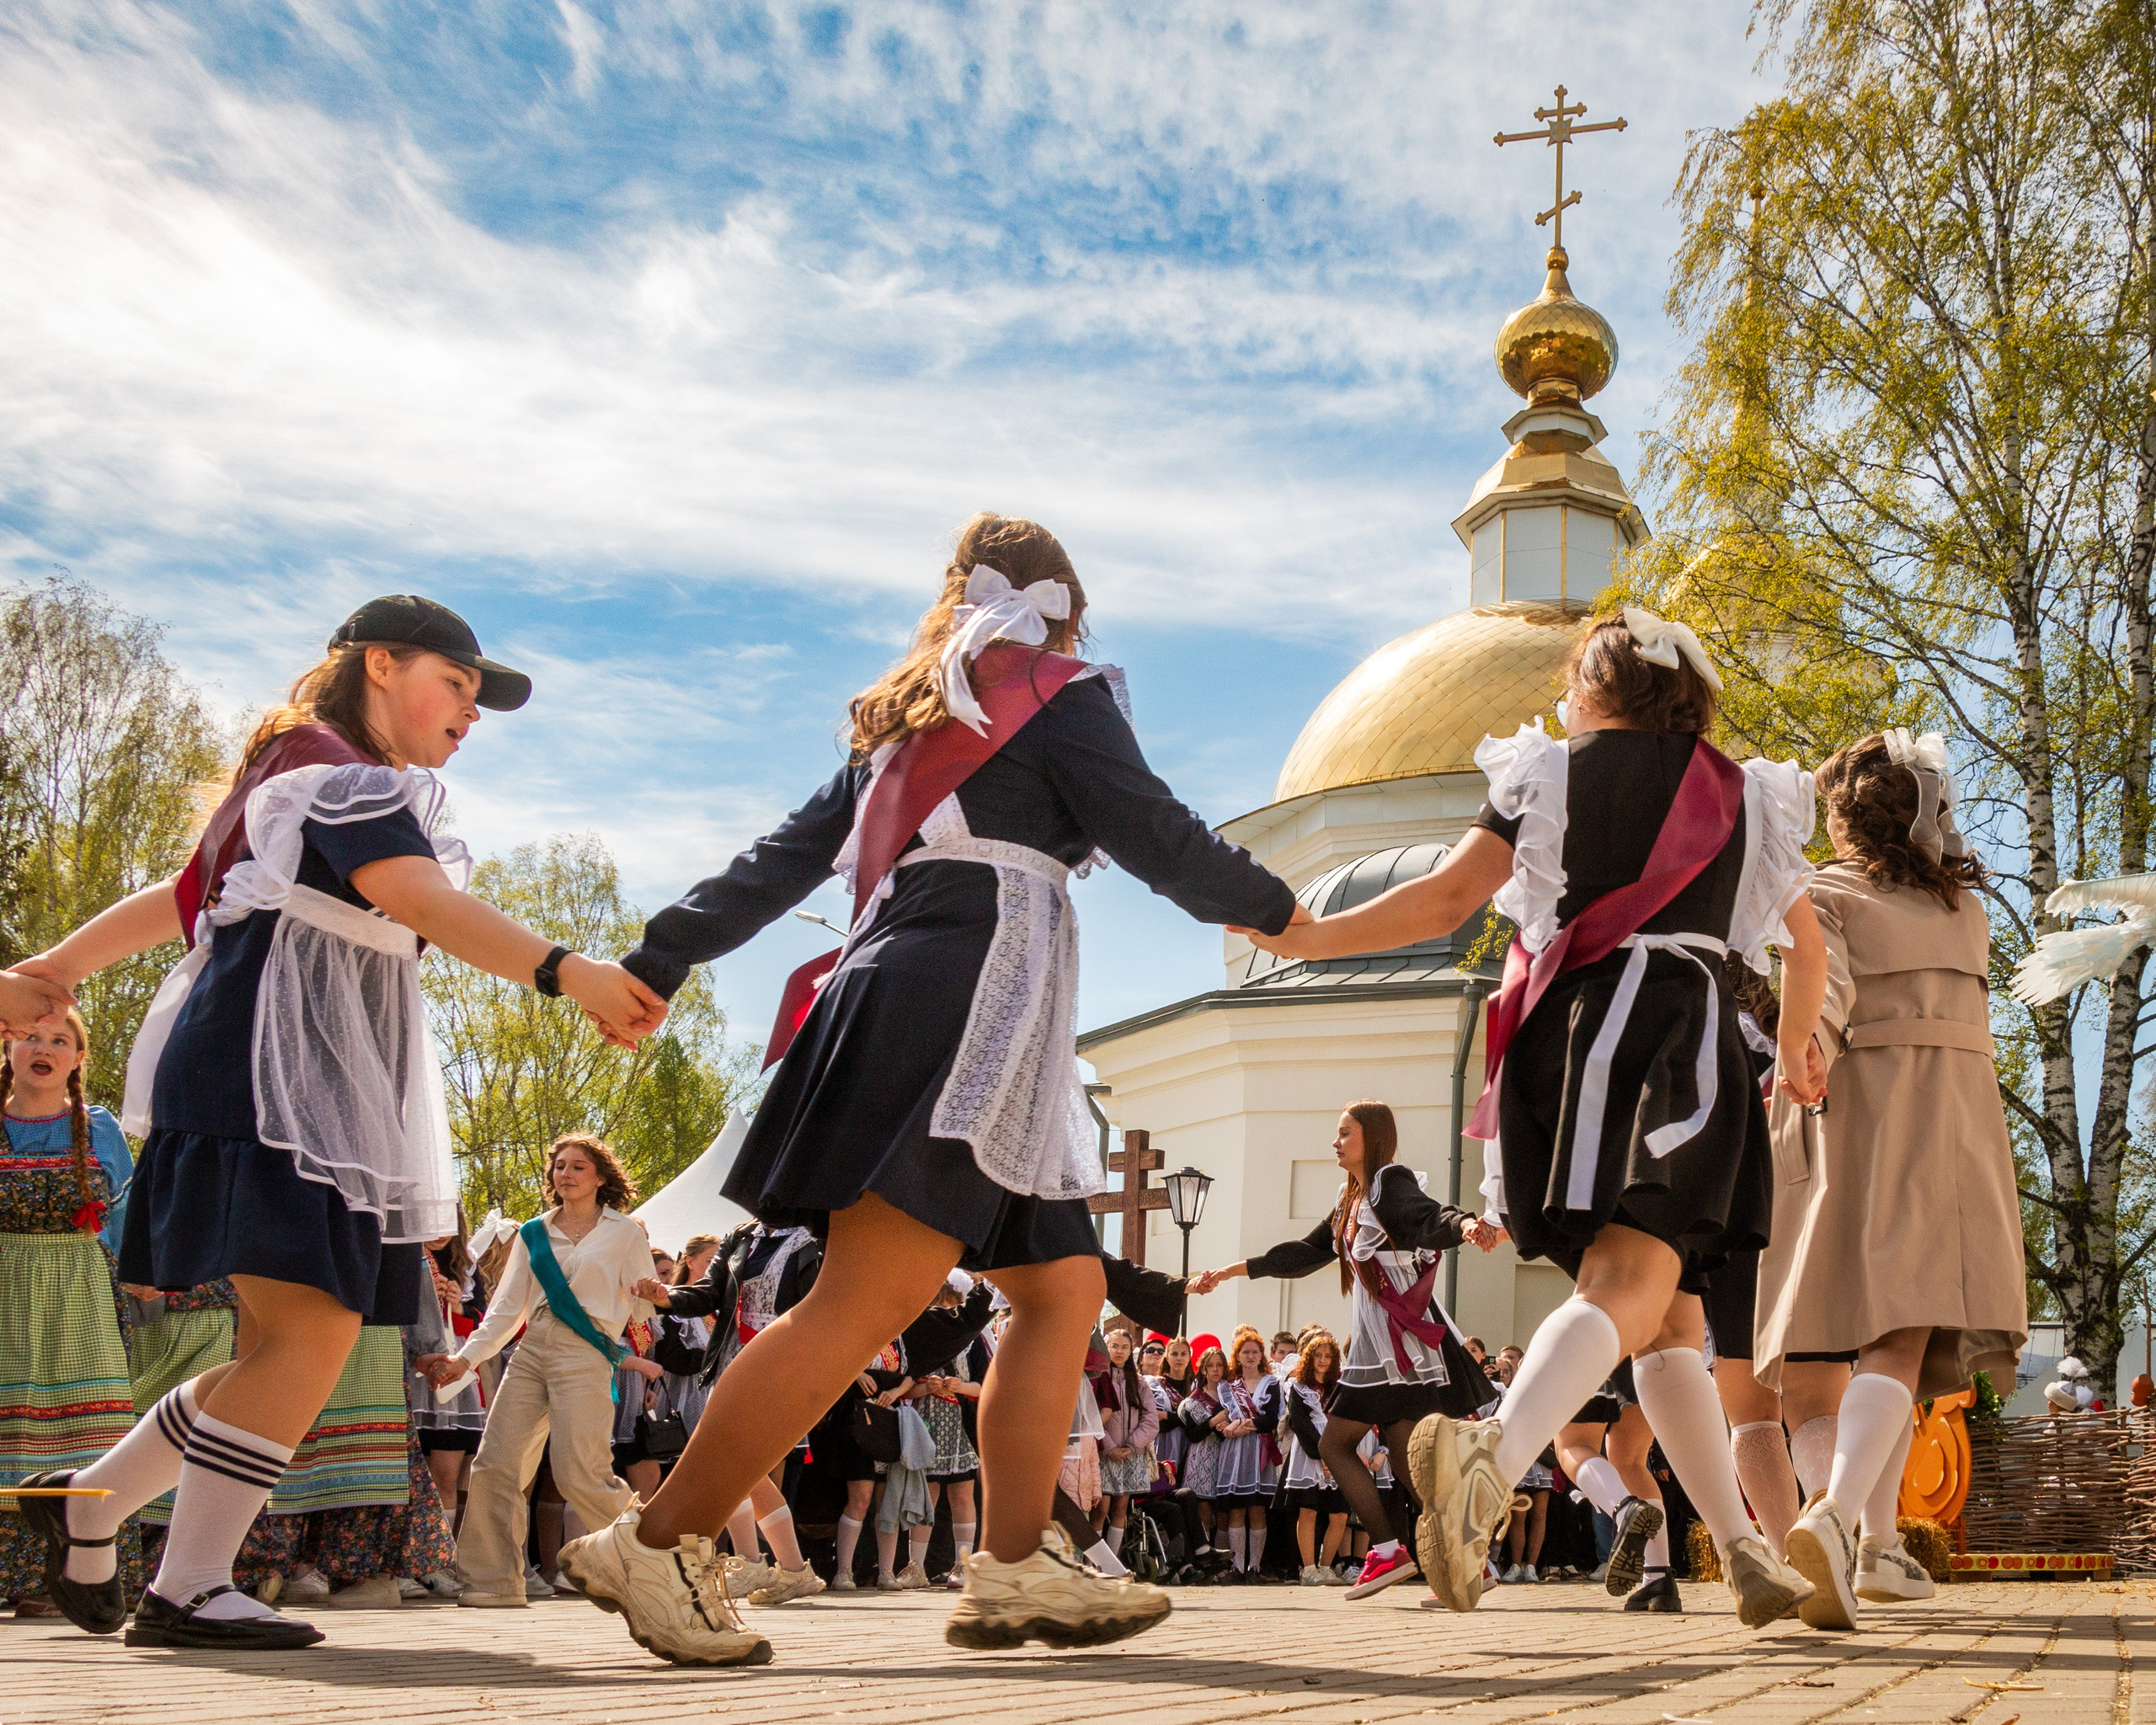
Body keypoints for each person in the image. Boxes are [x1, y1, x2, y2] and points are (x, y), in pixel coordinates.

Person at [558, 515, 1298, 1664]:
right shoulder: (1059, 691)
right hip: (963, 1007)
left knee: (1059, 1287)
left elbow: (778, 860)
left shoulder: (907, 718)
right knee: (860, 1304)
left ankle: (1011, 1571)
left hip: (951, 1007)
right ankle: (661, 1543)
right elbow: (1157, 833)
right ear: (1062, 604)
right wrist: (1289, 918)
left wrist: (662, 956)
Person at [17, 596, 664, 1651]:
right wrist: (567, 970)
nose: (472, 710)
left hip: (272, 1077)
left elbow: (181, 897)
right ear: (379, 664)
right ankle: (185, 1582)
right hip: (276, 1083)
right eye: (455, 682)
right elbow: (416, 896)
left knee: (281, 1339)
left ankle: (95, 1501)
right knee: (313, 1331)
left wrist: (55, 970)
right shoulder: (337, 774)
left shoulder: (285, 775)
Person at [1239, 607, 1822, 1626]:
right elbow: (1803, 950)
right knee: (1638, 1285)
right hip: (1683, 1042)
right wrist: (1796, 1054)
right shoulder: (1749, 794)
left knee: (1668, 1323)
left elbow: (1444, 898)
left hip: (1573, 1040)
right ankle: (1502, 1457)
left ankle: (1731, 1545)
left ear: (1592, 686)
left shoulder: (1546, 772)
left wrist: (1308, 936)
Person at [1758, 731, 2030, 1631]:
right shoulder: (1964, 911)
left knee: (1835, 1346)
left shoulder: (1821, 895)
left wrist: (1802, 1050)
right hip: (1946, 1118)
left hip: (1843, 1112)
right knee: (1899, 1335)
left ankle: (1866, 1540)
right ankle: (1847, 1526)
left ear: (1844, 819)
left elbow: (1821, 991)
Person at [1191, 1101, 1495, 1600]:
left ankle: (1388, 1551)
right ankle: (1469, 1560)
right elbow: (1304, 1253)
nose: (1335, 1142)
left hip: (1397, 1347)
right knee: (1404, 1460)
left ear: (1371, 1138)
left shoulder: (1388, 1183)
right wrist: (1230, 1272)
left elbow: (1426, 1215)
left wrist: (1463, 1225)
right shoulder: (1352, 1199)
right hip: (1394, 1348)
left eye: (1344, 1133)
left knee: (1334, 1445)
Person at [419, 1135, 661, 1609]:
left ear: (600, 1177)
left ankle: (655, 1565)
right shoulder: (534, 1232)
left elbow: (640, 1310)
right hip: (533, 1347)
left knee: (581, 1473)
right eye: (559, 1167)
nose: (565, 1174)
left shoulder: (625, 1232)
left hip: (587, 1349)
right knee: (496, 1462)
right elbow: (507, 1309)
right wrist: (464, 1360)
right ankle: (493, 1581)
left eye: (578, 1167)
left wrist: (650, 1291)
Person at [0, 1010, 140, 1612]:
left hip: (81, 1297)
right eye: (32, 1035)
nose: (44, 1048)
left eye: (60, 1040)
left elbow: (130, 1218)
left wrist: (146, 1280)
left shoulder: (99, 1128)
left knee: (83, 1428)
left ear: (78, 1059)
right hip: (4, 1291)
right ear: (7, 1045)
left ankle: (65, 1576)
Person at [1280, 1333, 1350, 1585]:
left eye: (1328, 1356)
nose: (1323, 1361)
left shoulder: (1340, 1387)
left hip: (1337, 1453)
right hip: (1310, 1453)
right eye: (1318, 1356)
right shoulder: (1297, 1385)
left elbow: (1345, 1421)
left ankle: (1326, 1567)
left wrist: (1336, 1454)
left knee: (1340, 1514)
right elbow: (1300, 1424)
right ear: (1310, 1358)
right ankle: (1308, 1569)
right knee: (1308, 1511)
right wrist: (1322, 1456)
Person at [1092, 1327, 1159, 1571]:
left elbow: (1151, 1420)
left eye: (1124, 1347)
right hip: (1103, 1453)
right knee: (1101, 1508)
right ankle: (1092, 1561)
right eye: (1114, 1346)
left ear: (1132, 1351)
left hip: (1132, 1455)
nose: (1119, 1352)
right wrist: (1109, 1447)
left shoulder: (1140, 1383)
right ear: (1106, 1348)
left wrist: (1131, 1446)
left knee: (1121, 1507)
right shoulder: (1097, 1378)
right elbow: (1093, 1416)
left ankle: (1111, 1564)